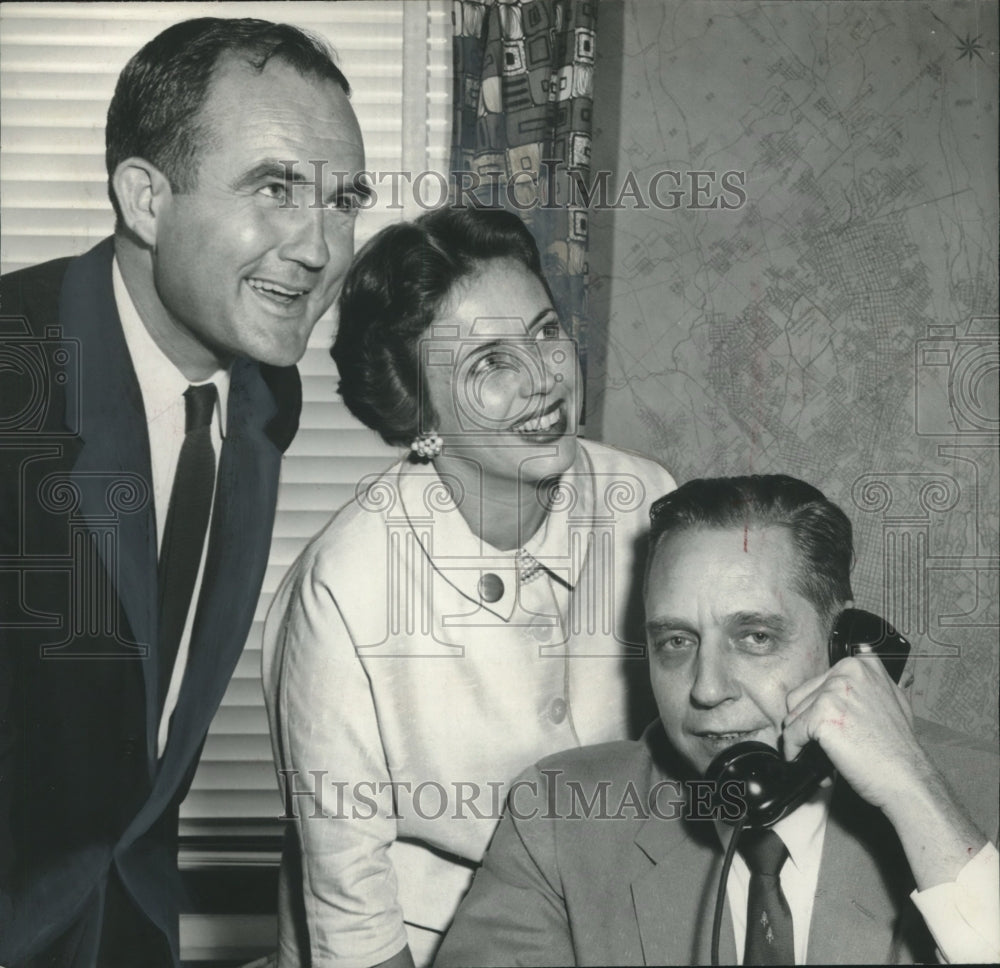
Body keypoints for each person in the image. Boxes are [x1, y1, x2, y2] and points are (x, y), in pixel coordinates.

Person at [0, 17, 365, 967]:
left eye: (343, 200)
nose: (320, 248)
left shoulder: (261, 396)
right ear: (145, 198)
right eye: (275, 188)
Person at [261, 205, 677, 967]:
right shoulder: (348, 585)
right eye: (489, 363)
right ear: (420, 415)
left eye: (547, 333)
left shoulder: (647, 501)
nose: (544, 380)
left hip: (628, 920)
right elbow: (351, 903)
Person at [435, 475, 1000, 966]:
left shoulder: (979, 800)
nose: (705, 689)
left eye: (755, 638)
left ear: (843, 648)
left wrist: (914, 794)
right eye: (676, 642)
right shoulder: (558, 818)